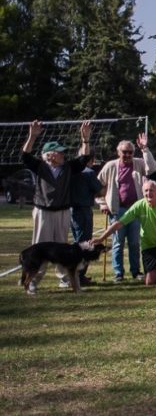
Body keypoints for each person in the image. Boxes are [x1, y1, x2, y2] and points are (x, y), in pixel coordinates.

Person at [20, 120, 92, 291]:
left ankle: (65, 278)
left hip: (63, 212)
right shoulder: (40, 167)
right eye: (59, 153)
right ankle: (32, 282)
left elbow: (84, 159)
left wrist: (85, 140)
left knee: (63, 248)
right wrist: (32, 136)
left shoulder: (67, 167)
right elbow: (25, 156)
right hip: (43, 211)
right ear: (49, 155)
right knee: (40, 247)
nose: (63, 155)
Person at [92, 180, 156, 286]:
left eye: (151, 190)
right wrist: (101, 238)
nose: (148, 193)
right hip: (149, 244)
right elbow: (119, 223)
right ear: (143, 193)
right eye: (146, 191)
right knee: (150, 282)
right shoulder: (139, 205)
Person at [97, 133, 156, 282]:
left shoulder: (138, 163)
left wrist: (145, 149)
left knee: (134, 242)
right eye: (124, 152)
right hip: (117, 209)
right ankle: (118, 273)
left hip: (136, 210)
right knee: (118, 243)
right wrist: (102, 203)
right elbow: (98, 186)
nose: (128, 155)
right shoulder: (111, 166)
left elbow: (153, 169)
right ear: (119, 152)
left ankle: (136, 271)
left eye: (130, 152)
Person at [69, 155, 102, 285]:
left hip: (71, 210)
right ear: (91, 161)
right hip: (83, 210)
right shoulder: (89, 172)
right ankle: (79, 275)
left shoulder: (70, 170)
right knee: (84, 244)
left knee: (77, 241)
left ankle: (76, 274)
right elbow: (100, 190)